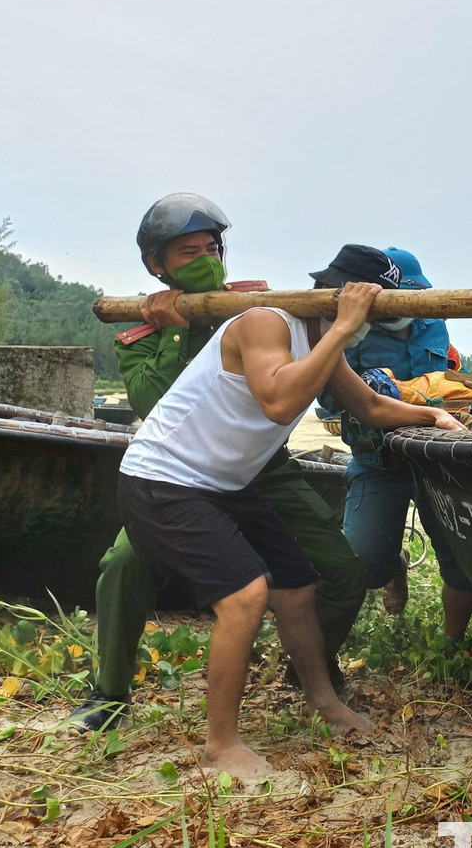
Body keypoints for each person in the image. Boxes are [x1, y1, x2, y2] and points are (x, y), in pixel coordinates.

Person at [119, 275, 462, 778]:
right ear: (340, 300)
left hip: (228, 483)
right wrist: (344, 328)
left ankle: (323, 701)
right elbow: (278, 402)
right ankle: (221, 745)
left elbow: (366, 405)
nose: (370, 327)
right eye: (370, 315)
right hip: (166, 478)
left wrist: (430, 415)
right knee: (245, 597)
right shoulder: (265, 323)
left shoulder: (322, 343)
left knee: (297, 586)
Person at [67, 194, 369, 732]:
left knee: (341, 569)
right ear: (158, 265)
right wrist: (176, 330)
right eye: (189, 252)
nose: (206, 259)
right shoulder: (140, 334)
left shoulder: (252, 308)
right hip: (188, 475)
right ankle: (109, 691)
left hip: (264, 469)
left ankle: (313, 674)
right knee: (122, 565)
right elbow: (149, 403)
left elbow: (339, 390)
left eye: (213, 248)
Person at [315, 245, 472, 642]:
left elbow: (444, 378)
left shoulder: (433, 318)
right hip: (378, 459)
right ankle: (393, 565)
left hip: (437, 461)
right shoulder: (349, 328)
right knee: (364, 563)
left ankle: (453, 643)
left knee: (463, 561)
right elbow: (331, 401)